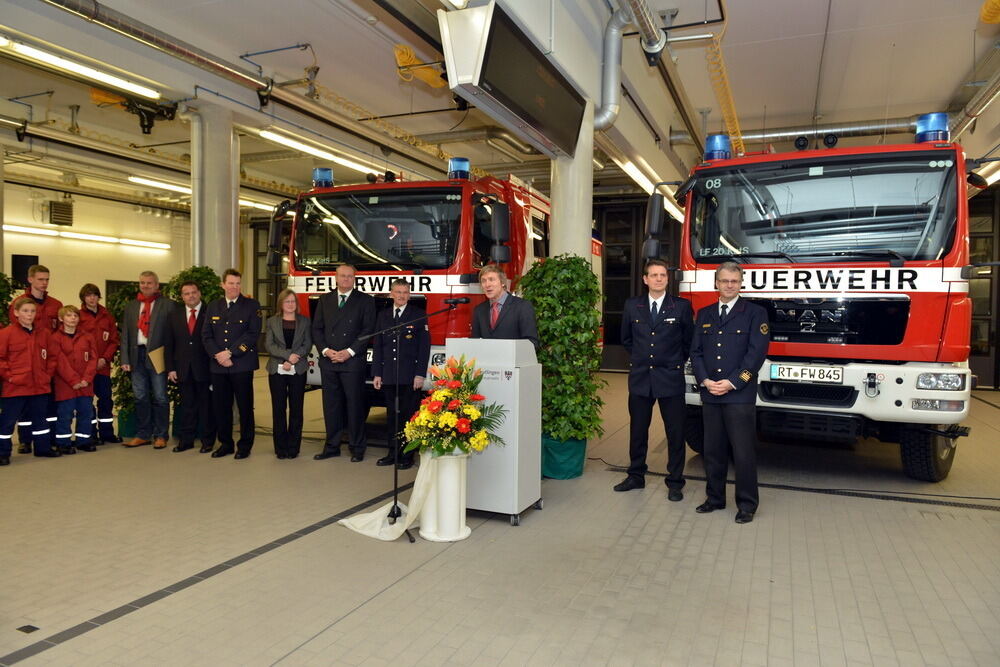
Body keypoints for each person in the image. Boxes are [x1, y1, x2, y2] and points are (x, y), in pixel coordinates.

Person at [690, 261, 770, 524]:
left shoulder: (755, 313)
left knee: (743, 452)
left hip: (738, 393)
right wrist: (704, 379)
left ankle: (747, 504)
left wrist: (734, 381)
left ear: (741, 283)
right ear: (716, 283)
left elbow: (756, 353)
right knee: (713, 449)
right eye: (724, 281)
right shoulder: (704, 314)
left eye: (734, 281)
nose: (729, 285)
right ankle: (714, 498)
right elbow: (696, 351)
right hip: (710, 392)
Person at [614, 259, 694, 498]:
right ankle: (636, 476)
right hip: (640, 378)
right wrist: (643, 360)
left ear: (667, 279)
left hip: (670, 378)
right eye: (654, 275)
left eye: (663, 275)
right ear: (645, 279)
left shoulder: (681, 307)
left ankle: (675, 482)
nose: (659, 279)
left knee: (675, 433)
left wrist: (670, 362)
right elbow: (626, 339)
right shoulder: (632, 305)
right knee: (638, 431)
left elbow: (688, 342)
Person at [312, 263, 376, 462]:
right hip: (329, 361)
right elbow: (317, 329)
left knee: (355, 406)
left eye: (349, 276)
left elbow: (368, 331)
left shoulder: (365, 301)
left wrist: (348, 352)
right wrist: (325, 350)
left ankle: (357, 448)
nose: (346, 279)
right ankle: (332, 446)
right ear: (336, 278)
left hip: (352, 362)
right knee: (331, 406)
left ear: (354, 279)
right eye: (342, 276)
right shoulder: (325, 300)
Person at [202, 269, 261, 460]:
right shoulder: (213, 306)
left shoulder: (251, 305)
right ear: (223, 285)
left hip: (241, 365)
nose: (234, 287)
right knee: (221, 408)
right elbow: (206, 335)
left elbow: (253, 334)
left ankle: (245, 445)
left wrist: (231, 353)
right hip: (218, 366)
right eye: (230, 283)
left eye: (237, 283)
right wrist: (218, 355)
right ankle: (226, 444)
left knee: (245, 407)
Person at [372, 279, 430, 470]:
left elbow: (424, 349)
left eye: (405, 292)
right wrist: (377, 373)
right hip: (389, 375)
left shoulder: (419, 315)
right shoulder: (383, 315)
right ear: (391, 294)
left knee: (408, 416)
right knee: (392, 416)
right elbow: (378, 346)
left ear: (409, 294)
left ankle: (406, 454)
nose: (401, 295)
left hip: (409, 376)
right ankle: (392, 452)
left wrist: (420, 374)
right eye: (398, 292)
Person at [9, 265, 62, 454]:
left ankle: (49, 440)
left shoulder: (56, 305)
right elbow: (16, 334)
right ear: (30, 279)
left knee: (48, 405)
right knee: (24, 408)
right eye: (40, 279)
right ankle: (25, 440)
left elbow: (59, 335)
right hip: (24, 364)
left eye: (47, 279)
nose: (44, 283)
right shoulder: (19, 303)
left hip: (47, 363)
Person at [119, 271, 175, 449]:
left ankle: (161, 435)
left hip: (158, 355)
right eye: (142, 282)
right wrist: (125, 358)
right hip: (137, 356)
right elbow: (126, 335)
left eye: (149, 283)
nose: (145, 286)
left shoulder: (168, 305)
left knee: (160, 397)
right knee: (140, 396)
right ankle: (143, 434)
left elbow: (173, 336)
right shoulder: (131, 307)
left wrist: (171, 359)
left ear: (157, 285)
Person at [0, 297, 58, 464]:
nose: (29, 315)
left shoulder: (44, 334)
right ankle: (3, 453)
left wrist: (47, 375)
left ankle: (43, 448)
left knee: (41, 419)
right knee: (7, 421)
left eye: (32, 311)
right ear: (16, 313)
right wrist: (10, 376)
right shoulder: (6, 334)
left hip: (39, 386)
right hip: (15, 387)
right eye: (25, 311)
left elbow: (52, 357)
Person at [165, 281, 216, 454]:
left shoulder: (211, 312)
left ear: (199, 293)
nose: (191, 296)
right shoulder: (174, 315)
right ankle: (185, 441)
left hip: (205, 369)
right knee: (187, 407)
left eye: (193, 292)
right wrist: (171, 368)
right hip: (183, 369)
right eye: (186, 293)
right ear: (182, 297)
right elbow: (169, 344)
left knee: (206, 407)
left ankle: (207, 441)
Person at [264, 289, 312, 459]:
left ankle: (293, 447)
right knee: (279, 409)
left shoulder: (305, 322)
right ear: (281, 304)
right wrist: (287, 356)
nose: (290, 304)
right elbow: (269, 345)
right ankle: (280, 448)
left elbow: (307, 345)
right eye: (287, 302)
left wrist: (292, 360)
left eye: (293, 301)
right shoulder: (271, 321)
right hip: (276, 370)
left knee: (296, 409)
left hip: (298, 369)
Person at [78, 283, 122, 444]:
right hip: (86, 369)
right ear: (83, 298)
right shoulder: (78, 316)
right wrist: (91, 361)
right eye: (88, 295)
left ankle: (107, 433)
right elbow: (77, 342)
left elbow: (113, 340)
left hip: (103, 367)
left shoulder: (107, 316)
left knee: (105, 400)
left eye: (95, 295)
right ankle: (90, 434)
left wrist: (105, 358)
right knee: (87, 402)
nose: (92, 298)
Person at [51, 305, 97, 454]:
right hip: (65, 384)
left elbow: (93, 358)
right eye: (69, 315)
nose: (73, 318)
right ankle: (63, 443)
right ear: (61, 319)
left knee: (86, 412)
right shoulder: (55, 338)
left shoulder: (87, 337)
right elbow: (59, 361)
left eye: (75, 316)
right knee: (65, 414)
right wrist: (74, 380)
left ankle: (83, 440)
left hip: (85, 384)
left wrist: (86, 379)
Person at [471, 264, 539, 350]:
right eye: (483, 281)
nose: (487, 284)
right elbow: (475, 343)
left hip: (515, 362)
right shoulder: (479, 310)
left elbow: (532, 342)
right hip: (487, 362)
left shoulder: (523, 306)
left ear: (503, 282)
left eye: (491, 279)